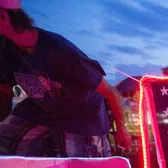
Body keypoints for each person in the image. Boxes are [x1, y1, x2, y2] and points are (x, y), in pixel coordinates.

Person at [0, 0, 130, 157]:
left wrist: (122, 130)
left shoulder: (59, 50)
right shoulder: (5, 50)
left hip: (81, 116)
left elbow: (110, 92)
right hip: (39, 110)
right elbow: (5, 92)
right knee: (5, 145)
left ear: (3, 17)